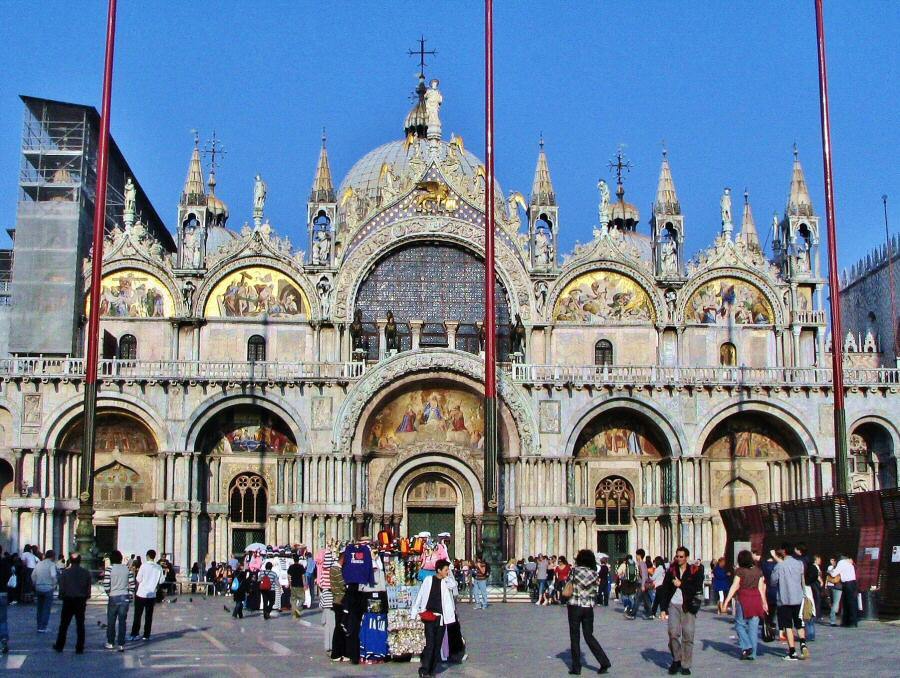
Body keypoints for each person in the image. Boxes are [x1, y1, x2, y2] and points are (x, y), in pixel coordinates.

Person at [658, 546, 704, 676]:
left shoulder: (695, 571)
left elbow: (696, 588)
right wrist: (662, 609)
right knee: (673, 633)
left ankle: (685, 664)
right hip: (674, 605)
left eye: (681, 556)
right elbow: (665, 589)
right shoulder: (671, 570)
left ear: (686, 557)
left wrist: (681, 584)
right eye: (677, 556)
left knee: (688, 636)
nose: (678, 559)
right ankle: (676, 659)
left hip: (688, 606)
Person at [566, 549, 611, 675]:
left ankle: (576, 667)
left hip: (575, 606)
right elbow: (595, 590)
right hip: (588, 608)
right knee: (589, 636)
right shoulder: (595, 574)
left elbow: (568, 584)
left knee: (575, 637)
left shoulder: (574, 571)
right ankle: (604, 662)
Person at [411, 559, 459, 678]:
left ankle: (432, 670)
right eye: (445, 570)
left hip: (442, 618)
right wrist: (415, 610)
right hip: (429, 616)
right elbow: (421, 595)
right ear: (438, 570)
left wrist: (446, 577)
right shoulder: (428, 580)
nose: (447, 572)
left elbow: (454, 585)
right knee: (430, 643)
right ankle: (424, 669)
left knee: (437, 644)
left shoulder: (446, 582)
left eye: (448, 570)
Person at [722, 549, 767, 660]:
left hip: (743, 599)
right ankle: (753, 654)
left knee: (739, 625)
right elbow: (761, 589)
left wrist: (726, 601)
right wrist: (764, 602)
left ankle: (747, 646)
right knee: (753, 627)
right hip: (756, 599)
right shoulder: (758, 571)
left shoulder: (740, 571)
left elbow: (734, 586)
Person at [771, 544, 809, 661]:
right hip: (798, 598)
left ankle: (792, 651)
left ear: (783, 552)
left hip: (785, 599)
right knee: (799, 623)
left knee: (788, 626)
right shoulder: (799, 564)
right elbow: (802, 580)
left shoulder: (779, 566)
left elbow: (773, 581)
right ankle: (803, 644)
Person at [53, 553, 91, 654]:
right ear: (80, 561)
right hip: (80, 600)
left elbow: (62, 587)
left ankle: (60, 645)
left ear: (70, 560)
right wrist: (86, 596)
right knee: (80, 624)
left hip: (68, 600)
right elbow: (88, 588)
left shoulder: (65, 573)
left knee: (64, 624)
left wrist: (61, 596)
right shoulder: (86, 572)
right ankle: (80, 647)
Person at [102, 550, 136, 651]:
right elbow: (132, 584)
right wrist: (129, 596)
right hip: (124, 596)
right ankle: (121, 644)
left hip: (113, 597)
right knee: (122, 621)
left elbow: (106, 584)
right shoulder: (127, 569)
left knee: (111, 621)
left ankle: (110, 642)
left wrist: (109, 593)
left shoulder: (109, 569)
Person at [130, 549, 164, 641]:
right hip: (152, 594)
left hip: (141, 593)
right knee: (149, 616)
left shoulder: (143, 566)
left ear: (148, 556)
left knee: (137, 615)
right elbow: (161, 581)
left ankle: (135, 633)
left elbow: (138, 579)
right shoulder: (159, 567)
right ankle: (146, 635)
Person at [829, 553, 858, 628]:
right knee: (851, 603)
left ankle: (848, 622)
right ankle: (852, 622)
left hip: (847, 584)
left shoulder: (841, 563)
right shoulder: (848, 563)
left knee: (847, 603)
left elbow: (833, 574)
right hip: (852, 583)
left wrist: (830, 570)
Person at [32, 548, 57, 633]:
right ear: (53, 556)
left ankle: (39, 626)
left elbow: (33, 575)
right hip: (48, 587)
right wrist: (54, 585)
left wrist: (35, 584)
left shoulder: (39, 564)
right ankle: (43, 627)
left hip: (39, 587)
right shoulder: (51, 564)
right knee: (46, 608)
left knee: (39, 608)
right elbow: (53, 576)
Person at [287, 553, 306, 618]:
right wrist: (304, 584)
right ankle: (297, 609)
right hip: (300, 585)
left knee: (293, 599)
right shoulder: (301, 567)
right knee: (302, 599)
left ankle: (294, 612)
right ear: (298, 560)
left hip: (293, 585)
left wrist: (289, 584)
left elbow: (289, 576)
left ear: (293, 560)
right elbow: (303, 576)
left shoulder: (291, 567)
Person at [0, 550, 12, 654]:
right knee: (2, 619)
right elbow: (9, 576)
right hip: (2, 592)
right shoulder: (4, 563)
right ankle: (3, 639)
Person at [825, 556, 843, 626]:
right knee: (835, 603)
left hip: (836, 586)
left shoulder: (836, 567)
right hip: (837, 586)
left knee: (835, 603)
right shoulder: (833, 567)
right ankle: (832, 619)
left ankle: (833, 617)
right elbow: (832, 574)